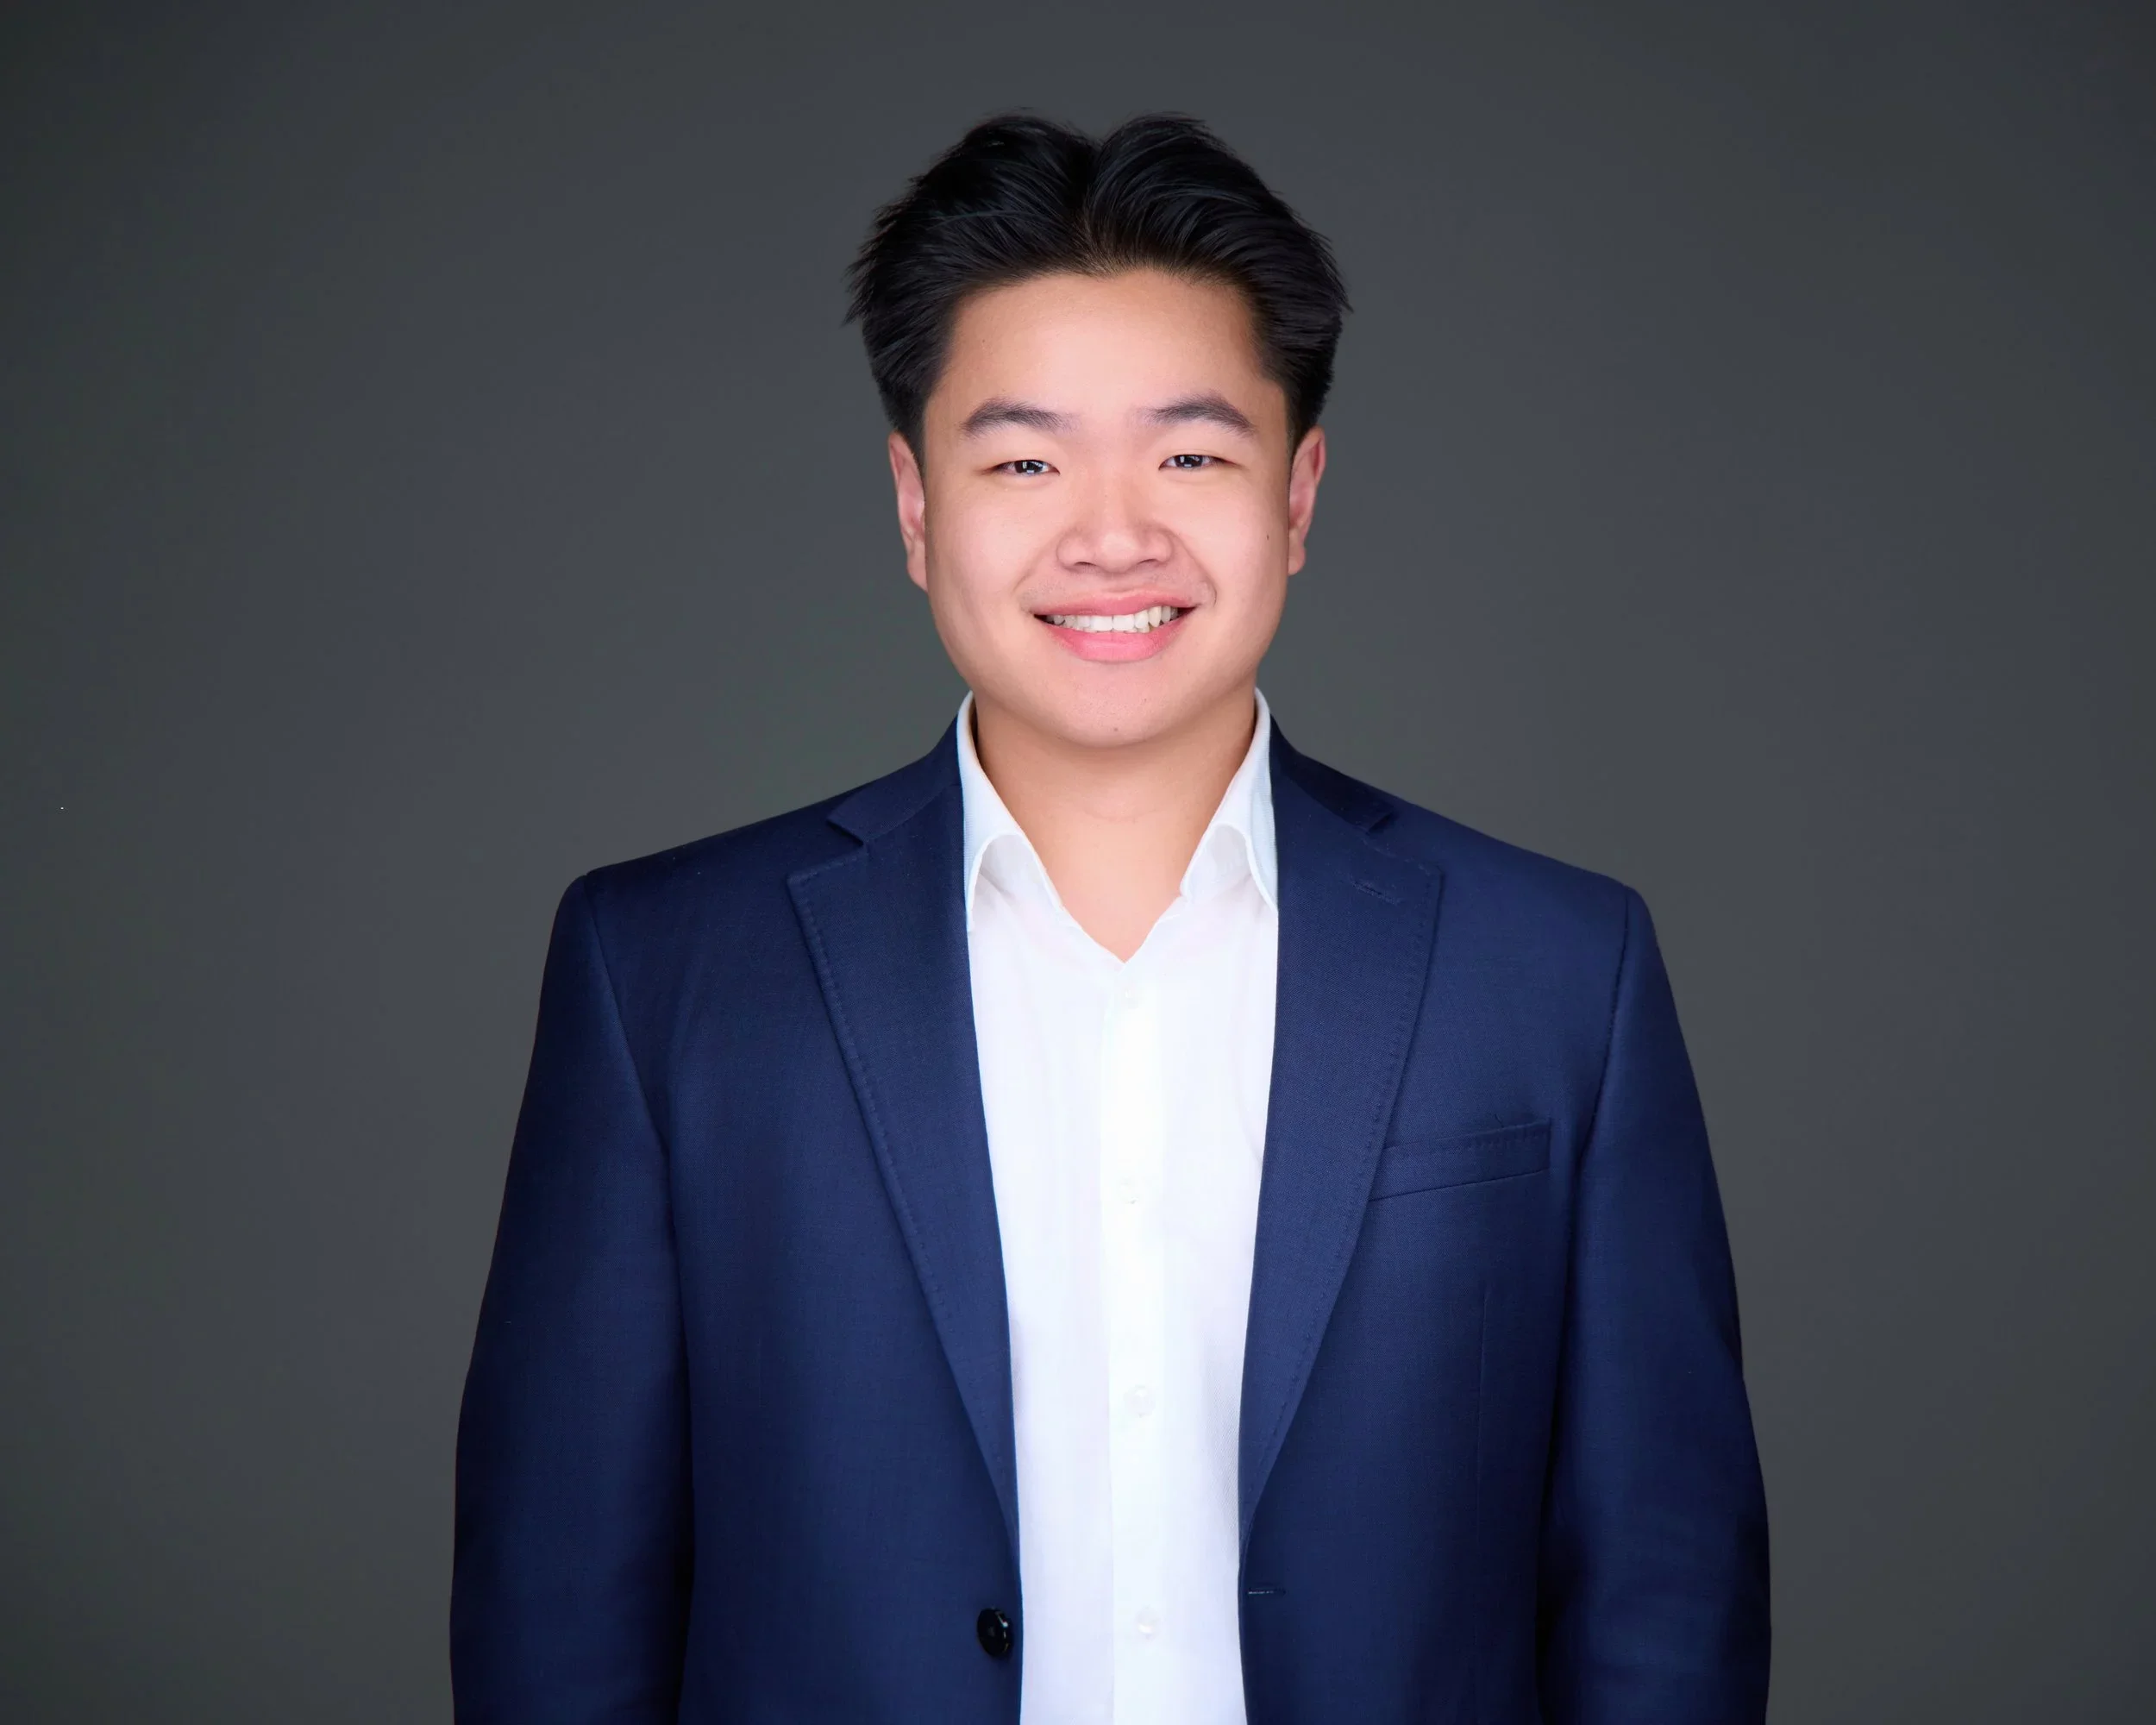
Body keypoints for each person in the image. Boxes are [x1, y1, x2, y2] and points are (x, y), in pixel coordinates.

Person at [450, 113, 1770, 1725]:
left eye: (1191, 454)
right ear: (914, 504)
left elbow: (1665, 1597)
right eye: (1022, 460)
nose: (1112, 534)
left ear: (1297, 494)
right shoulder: (663, 975)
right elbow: (558, 1608)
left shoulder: (1560, 974)